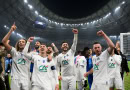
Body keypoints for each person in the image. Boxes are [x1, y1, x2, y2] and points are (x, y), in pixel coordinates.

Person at [2, 22, 31, 90]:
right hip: (15, 79)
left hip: (26, 78)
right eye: (19, 42)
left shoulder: (30, 54)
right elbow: (3, 41)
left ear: (26, 44)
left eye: (23, 42)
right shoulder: (14, 51)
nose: (20, 42)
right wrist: (11, 30)